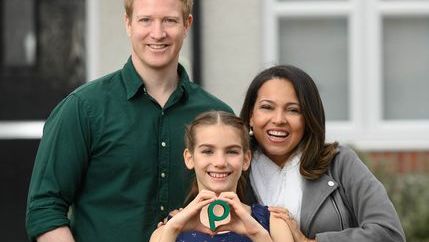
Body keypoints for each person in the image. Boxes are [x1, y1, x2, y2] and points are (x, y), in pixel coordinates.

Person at [25, 0, 232, 241]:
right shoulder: (83, 108)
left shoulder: (216, 115)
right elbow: (44, 209)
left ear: (187, 24)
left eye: (169, 20)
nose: (158, 33)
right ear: (128, 23)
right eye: (146, 20)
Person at [240, 65, 406, 242]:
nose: (279, 120)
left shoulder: (339, 162)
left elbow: (390, 233)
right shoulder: (232, 167)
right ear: (251, 115)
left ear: (309, 118)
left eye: (293, 110)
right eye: (267, 107)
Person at [150, 111, 294, 242]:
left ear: (246, 159)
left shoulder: (274, 224)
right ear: (189, 158)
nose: (220, 162)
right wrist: (172, 231)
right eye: (207, 151)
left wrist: (258, 235)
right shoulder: (166, 231)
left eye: (231, 151)